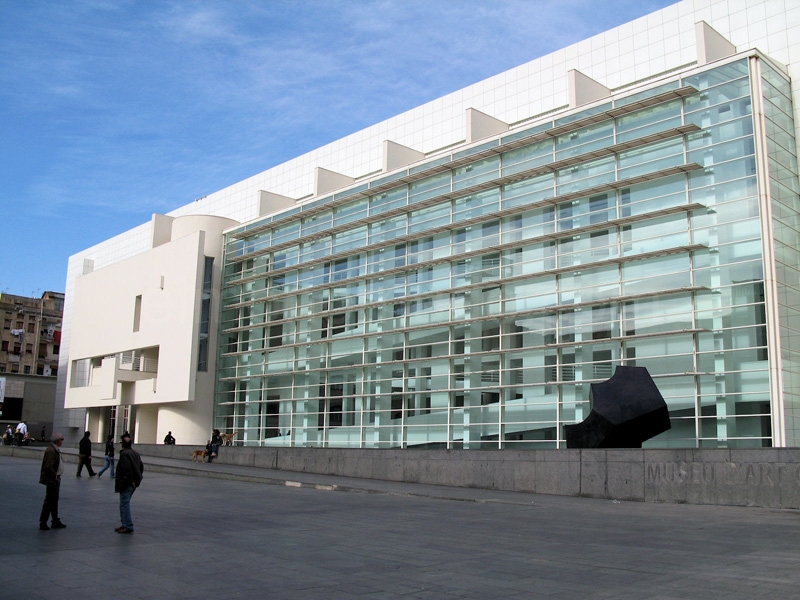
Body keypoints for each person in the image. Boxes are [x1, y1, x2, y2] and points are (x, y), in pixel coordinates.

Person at [115, 431, 143, 534]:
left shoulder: (124, 454)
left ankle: (127, 525)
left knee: (124, 504)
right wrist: (137, 480)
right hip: (133, 483)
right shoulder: (135, 453)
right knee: (124, 503)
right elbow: (141, 467)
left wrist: (131, 481)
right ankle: (125, 524)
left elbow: (127, 469)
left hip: (127, 483)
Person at [39, 432, 67, 530]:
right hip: (52, 479)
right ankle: (43, 521)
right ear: (57, 440)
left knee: (54, 500)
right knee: (50, 500)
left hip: (55, 478)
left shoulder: (55, 449)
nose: (62, 441)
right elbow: (48, 466)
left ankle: (55, 520)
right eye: (61, 439)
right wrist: (54, 475)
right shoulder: (51, 451)